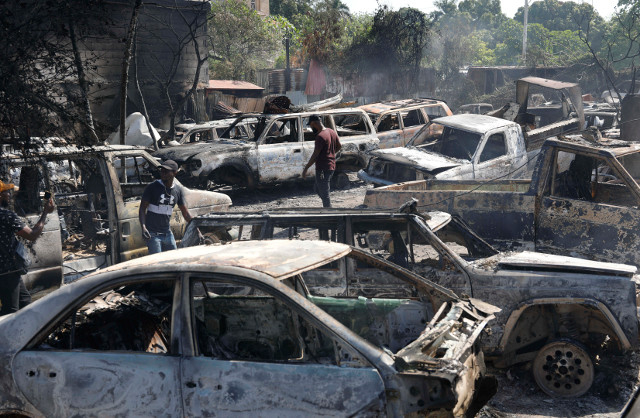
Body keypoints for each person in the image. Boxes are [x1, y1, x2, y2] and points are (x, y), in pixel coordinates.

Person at [0, 180, 55, 316]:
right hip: (7, 271)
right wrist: (45, 213)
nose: (8, 195)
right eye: (5, 192)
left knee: (25, 301)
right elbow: (32, 235)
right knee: (10, 311)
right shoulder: (6, 216)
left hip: (9, 271)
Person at [139, 160, 193, 254]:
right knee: (156, 263)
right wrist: (143, 227)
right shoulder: (152, 187)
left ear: (174, 173)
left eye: (166, 171)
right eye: (162, 170)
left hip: (167, 233)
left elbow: (186, 214)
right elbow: (142, 209)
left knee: (173, 260)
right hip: (153, 235)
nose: (163, 173)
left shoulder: (178, 190)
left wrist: (197, 230)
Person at [302, 115, 341, 208]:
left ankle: (329, 213)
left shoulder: (320, 136)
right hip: (331, 166)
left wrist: (306, 168)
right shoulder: (331, 131)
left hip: (323, 168)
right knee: (317, 188)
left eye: (311, 125)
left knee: (325, 194)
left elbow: (315, 155)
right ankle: (328, 207)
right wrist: (331, 154)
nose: (311, 128)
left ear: (314, 123)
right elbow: (339, 146)